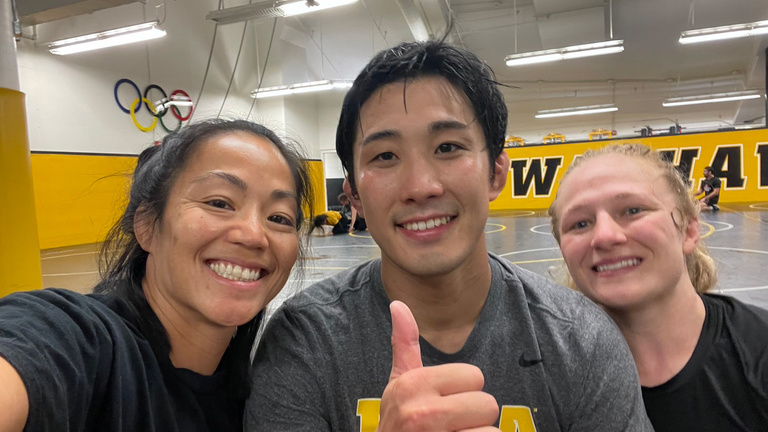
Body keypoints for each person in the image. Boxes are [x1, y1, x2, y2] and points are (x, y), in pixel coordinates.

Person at [246, 40, 652, 431]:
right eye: (385, 156)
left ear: (495, 174)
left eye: (448, 147)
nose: (421, 186)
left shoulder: (581, 341)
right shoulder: (305, 342)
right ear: (354, 196)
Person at [0, 119, 313, 431]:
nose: (254, 235)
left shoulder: (270, 394)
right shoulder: (76, 339)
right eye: (219, 203)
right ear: (147, 226)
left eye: (279, 218)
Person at [548, 143, 768, 431]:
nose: (604, 236)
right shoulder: (546, 374)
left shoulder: (759, 349)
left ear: (689, 230)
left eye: (633, 210)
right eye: (579, 224)